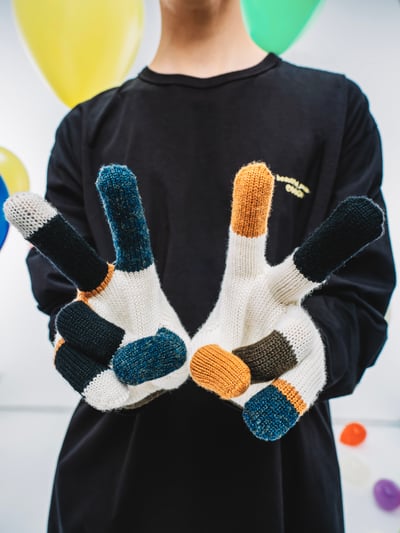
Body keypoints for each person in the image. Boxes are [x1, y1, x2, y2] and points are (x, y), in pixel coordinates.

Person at [25, 1, 395, 531]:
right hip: (111, 492)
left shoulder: (334, 110)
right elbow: (66, 306)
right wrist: (105, 346)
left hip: (281, 489)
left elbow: (359, 300)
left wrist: (296, 345)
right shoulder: (84, 130)